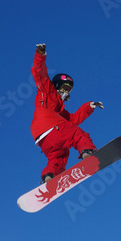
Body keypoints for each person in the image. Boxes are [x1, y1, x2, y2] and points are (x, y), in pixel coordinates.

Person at [31, 43, 104, 183]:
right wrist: (40, 54)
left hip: (44, 139)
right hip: (49, 125)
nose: (67, 91)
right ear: (57, 85)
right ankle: (88, 153)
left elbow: (74, 118)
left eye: (69, 89)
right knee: (77, 134)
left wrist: (89, 106)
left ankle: (49, 176)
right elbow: (39, 72)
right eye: (65, 87)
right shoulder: (47, 90)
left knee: (59, 157)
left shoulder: (60, 111)